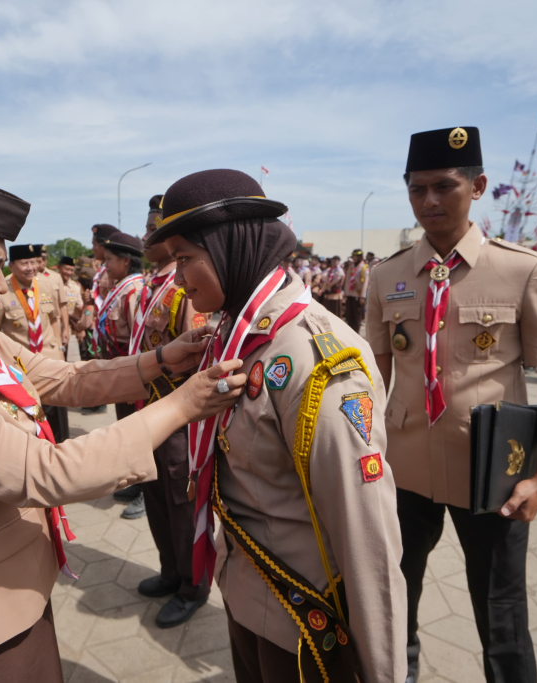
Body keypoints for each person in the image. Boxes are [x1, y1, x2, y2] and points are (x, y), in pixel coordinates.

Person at [0, 167, 244, 682]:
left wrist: (161, 361)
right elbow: (42, 472)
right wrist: (183, 405)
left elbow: (59, 378)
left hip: (12, 597)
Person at [147, 169, 407, 683]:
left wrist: (383, 671)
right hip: (245, 595)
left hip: (305, 623)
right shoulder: (233, 331)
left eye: (184, 258)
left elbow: (366, 535)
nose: (177, 279)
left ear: (229, 247)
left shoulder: (315, 358)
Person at [366, 127, 537, 683]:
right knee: (393, 588)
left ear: (478, 186)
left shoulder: (524, 271)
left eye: (444, 186)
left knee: (501, 611)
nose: (430, 201)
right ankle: (397, 672)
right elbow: (373, 373)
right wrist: (361, 448)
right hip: (405, 466)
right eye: (417, 190)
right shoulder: (386, 276)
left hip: (494, 475)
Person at [128, 194, 211, 625]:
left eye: (153, 230)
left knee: (182, 503)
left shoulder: (184, 287)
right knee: (156, 498)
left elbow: (196, 359)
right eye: (146, 228)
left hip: (177, 418)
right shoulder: (151, 285)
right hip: (149, 413)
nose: (145, 237)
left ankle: (192, 585)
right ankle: (170, 570)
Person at [0, 244, 70, 443]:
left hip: (49, 357)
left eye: (33, 262)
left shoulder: (45, 284)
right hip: (21, 364)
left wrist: (60, 348)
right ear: (12, 265)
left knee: (57, 411)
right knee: (32, 413)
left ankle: (60, 446)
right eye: (24, 263)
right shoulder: (3, 289)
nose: (30, 267)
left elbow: (53, 319)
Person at [96, 232, 147, 512]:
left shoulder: (134, 291)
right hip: (119, 374)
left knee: (137, 431)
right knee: (125, 429)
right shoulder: (120, 289)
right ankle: (134, 479)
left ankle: (145, 488)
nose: (105, 266)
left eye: (109, 260)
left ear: (126, 262)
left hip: (131, 376)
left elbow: (138, 341)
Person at [90, 223, 118, 309]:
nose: (93, 249)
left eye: (94, 245)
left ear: (104, 245)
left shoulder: (115, 270)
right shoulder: (102, 269)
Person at [343, 248, 369, 333]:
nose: (354, 258)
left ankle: (356, 334)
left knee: (357, 318)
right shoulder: (352, 267)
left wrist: (363, 296)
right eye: (353, 256)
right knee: (349, 317)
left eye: (355, 256)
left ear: (360, 257)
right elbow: (347, 281)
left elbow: (366, 283)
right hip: (350, 295)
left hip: (358, 296)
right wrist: (345, 294)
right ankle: (350, 334)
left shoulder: (364, 268)